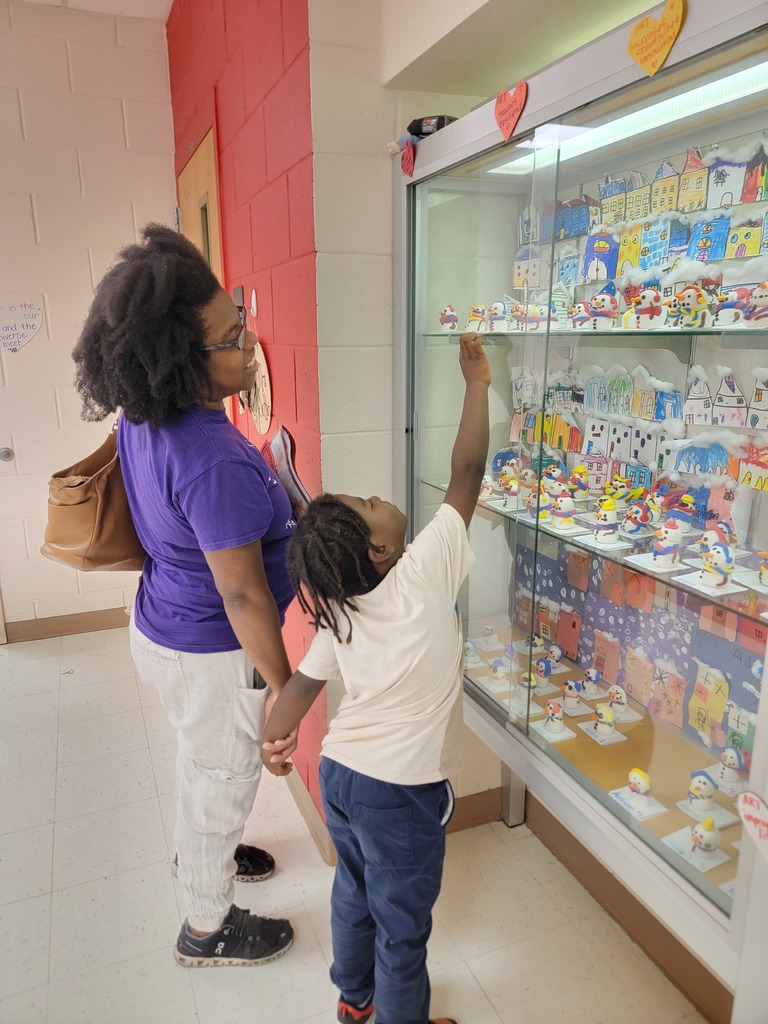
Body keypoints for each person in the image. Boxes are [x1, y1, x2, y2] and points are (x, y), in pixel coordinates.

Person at [71, 224, 296, 967]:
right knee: (224, 778)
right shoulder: (211, 461)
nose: (249, 340)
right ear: (182, 360)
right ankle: (207, 927)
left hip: (164, 628)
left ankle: (209, 856)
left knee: (203, 763)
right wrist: (283, 691)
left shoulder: (149, 416)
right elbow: (243, 596)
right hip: (208, 649)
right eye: (233, 334)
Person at [261, 333, 491, 1024]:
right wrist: (477, 385)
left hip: (342, 778)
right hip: (401, 795)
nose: (378, 496)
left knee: (354, 894)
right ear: (383, 548)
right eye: (370, 502)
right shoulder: (422, 573)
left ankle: (353, 1002)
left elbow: (300, 689)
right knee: (403, 926)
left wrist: (273, 741)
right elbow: (468, 474)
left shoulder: (338, 606)